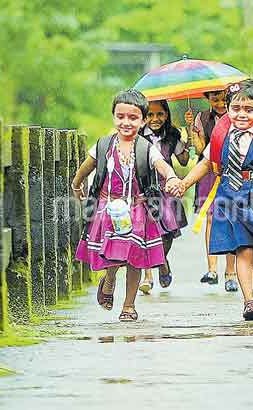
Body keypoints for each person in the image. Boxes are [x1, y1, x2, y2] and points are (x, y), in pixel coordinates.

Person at [170, 78, 253, 320]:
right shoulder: (221, 136)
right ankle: (249, 301)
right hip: (228, 193)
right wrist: (185, 183)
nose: (241, 115)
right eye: (236, 108)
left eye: (249, 110)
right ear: (228, 109)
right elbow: (206, 163)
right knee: (243, 247)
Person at [73, 89, 181, 322]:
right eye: (120, 116)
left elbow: (162, 165)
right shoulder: (104, 145)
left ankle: (129, 305)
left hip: (138, 210)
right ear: (113, 116)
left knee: (135, 257)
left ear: (142, 121)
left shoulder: (145, 148)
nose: (126, 122)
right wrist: (76, 183)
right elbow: (87, 166)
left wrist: (171, 177)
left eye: (133, 118)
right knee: (114, 255)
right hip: (109, 208)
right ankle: (109, 278)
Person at [184, 89, 240, 292]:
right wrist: (191, 127)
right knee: (210, 218)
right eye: (215, 99)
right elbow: (200, 149)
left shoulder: (237, 116)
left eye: (224, 99)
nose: (220, 103)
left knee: (231, 218)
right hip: (208, 171)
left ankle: (231, 272)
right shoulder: (203, 118)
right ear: (207, 99)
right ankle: (212, 268)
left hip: (232, 171)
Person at [138, 99, 189, 294]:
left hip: (167, 189)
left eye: (160, 114)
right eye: (150, 115)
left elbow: (183, 161)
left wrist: (187, 139)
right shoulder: (138, 136)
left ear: (166, 115)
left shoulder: (172, 135)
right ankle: (148, 276)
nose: (155, 119)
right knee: (145, 231)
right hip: (146, 189)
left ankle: (161, 259)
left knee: (168, 231)